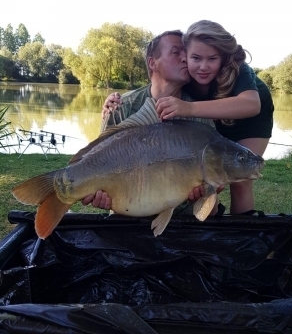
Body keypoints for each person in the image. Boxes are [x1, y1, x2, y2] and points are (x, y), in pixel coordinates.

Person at [82, 30, 221, 212]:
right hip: (128, 215)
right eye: (176, 52)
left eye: (186, 53)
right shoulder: (121, 107)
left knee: (212, 207)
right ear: (152, 62)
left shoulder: (200, 113)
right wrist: (100, 194)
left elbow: (214, 180)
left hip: (183, 217)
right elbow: (99, 162)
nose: (185, 59)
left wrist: (207, 188)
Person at [155, 20, 274, 214]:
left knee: (241, 181)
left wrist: (189, 108)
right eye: (196, 58)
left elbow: (251, 104)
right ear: (186, 55)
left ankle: (240, 238)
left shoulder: (239, 69)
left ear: (223, 57)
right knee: (203, 176)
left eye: (212, 59)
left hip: (252, 119)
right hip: (211, 118)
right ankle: (206, 221)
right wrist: (116, 99)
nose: (203, 66)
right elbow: (155, 84)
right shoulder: (183, 74)